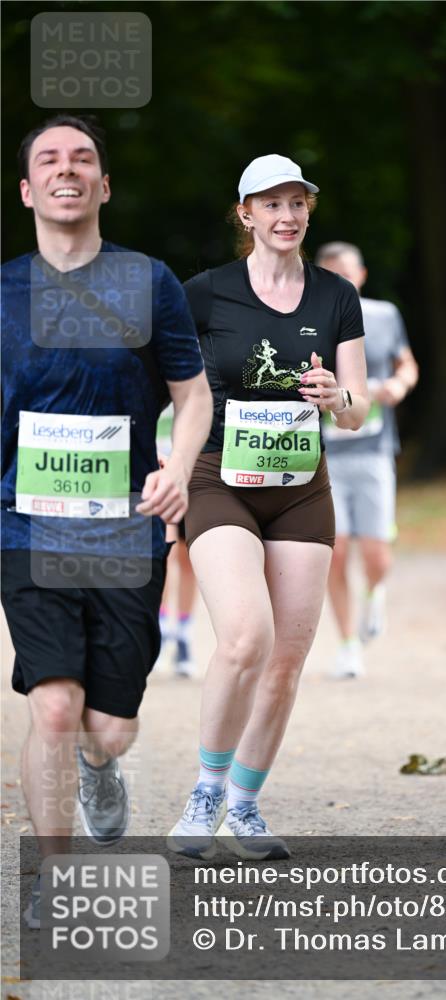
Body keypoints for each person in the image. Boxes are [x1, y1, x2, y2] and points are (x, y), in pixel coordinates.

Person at [1, 115, 212, 925]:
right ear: (27, 190)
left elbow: (192, 397)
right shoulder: (3, 291)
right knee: (51, 703)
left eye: (82, 158)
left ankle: (100, 764)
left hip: (126, 526)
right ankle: (54, 878)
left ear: (103, 185)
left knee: (108, 729)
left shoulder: (148, 281)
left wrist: (174, 470)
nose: (67, 169)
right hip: (26, 524)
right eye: (49, 160)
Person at [167, 155, 369, 861]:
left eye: (297, 203)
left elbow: (356, 408)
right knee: (245, 637)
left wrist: (339, 400)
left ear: (308, 212)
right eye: (270, 203)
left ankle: (245, 806)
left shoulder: (335, 296)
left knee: (286, 658)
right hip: (219, 478)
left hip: (300, 490)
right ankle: (204, 791)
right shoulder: (203, 295)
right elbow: (172, 387)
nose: (286, 216)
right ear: (244, 214)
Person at [315, 243, 419, 678]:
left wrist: (398, 385)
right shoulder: (307, 320)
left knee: (376, 555)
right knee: (334, 553)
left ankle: (376, 594)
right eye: (329, 273)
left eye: (345, 272)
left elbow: (407, 364)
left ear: (361, 275)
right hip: (328, 454)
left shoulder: (383, 315)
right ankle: (347, 644)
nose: (339, 280)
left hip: (375, 450)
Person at [156, 403, 199, 677]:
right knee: (163, 553)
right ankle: (159, 630)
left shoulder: (200, 364)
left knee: (188, 557)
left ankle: (183, 634)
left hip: (191, 471)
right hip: (157, 469)